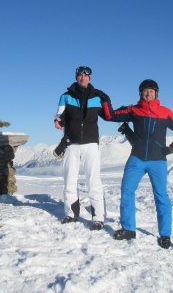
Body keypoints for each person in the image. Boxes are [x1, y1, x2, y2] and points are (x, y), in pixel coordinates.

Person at [101, 79, 173, 249]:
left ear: (156, 94)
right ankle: (128, 229)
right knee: (127, 191)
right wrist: (104, 99)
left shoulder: (165, 112)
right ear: (140, 93)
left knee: (161, 196)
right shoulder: (134, 110)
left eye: (151, 91)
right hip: (137, 159)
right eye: (145, 91)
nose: (148, 94)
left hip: (158, 161)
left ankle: (165, 235)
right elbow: (109, 116)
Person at [54, 66, 111, 230]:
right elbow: (60, 117)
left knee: (93, 180)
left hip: (91, 143)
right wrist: (58, 122)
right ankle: (71, 214)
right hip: (71, 143)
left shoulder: (97, 97)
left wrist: (106, 99)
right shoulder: (65, 96)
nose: (83, 78)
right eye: (80, 75)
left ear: (90, 78)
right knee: (69, 180)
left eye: (86, 76)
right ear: (76, 77)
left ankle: (98, 218)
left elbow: (108, 116)